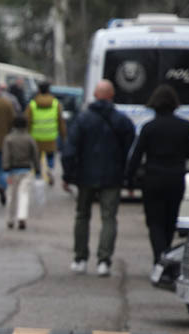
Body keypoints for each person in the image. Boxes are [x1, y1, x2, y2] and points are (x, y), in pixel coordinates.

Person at [125, 83, 189, 282]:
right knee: (169, 221)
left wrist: (129, 179)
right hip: (176, 178)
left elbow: (136, 156)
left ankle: (160, 260)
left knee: (154, 222)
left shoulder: (149, 128)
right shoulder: (185, 126)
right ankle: (166, 259)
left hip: (153, 179)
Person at [62, 79, 134, 277]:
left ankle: (80, 258)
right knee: (109, 217)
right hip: (112, 177)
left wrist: (68, 175)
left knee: (82, 215)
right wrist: (126, 174)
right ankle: (104, 261)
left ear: (95, 95)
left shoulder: (83, 120)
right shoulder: (122, 121)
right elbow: (130, 149)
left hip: (85, 176)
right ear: (112, 96)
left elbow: (70, 150)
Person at [2, 115, 37, 229]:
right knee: (24, 194)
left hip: (12, 171)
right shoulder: (29, 138)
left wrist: (6, 167)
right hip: (26, 170)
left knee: (11, 196)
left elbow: (6, 155)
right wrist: (37, 168)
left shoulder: (9, 138)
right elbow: (35, 154)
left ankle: (10, 219)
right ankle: (22, 217)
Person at [26, 81, 65, 185]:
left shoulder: (33, 104)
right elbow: (60, 121)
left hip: (36, 136)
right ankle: (50, 170)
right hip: (51, 135)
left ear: (39, 90)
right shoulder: (56, 103)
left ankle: (38, 175)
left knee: (37, 157)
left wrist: (27, 134)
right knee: (50, 156)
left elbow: (27, 121)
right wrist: (64, 135)